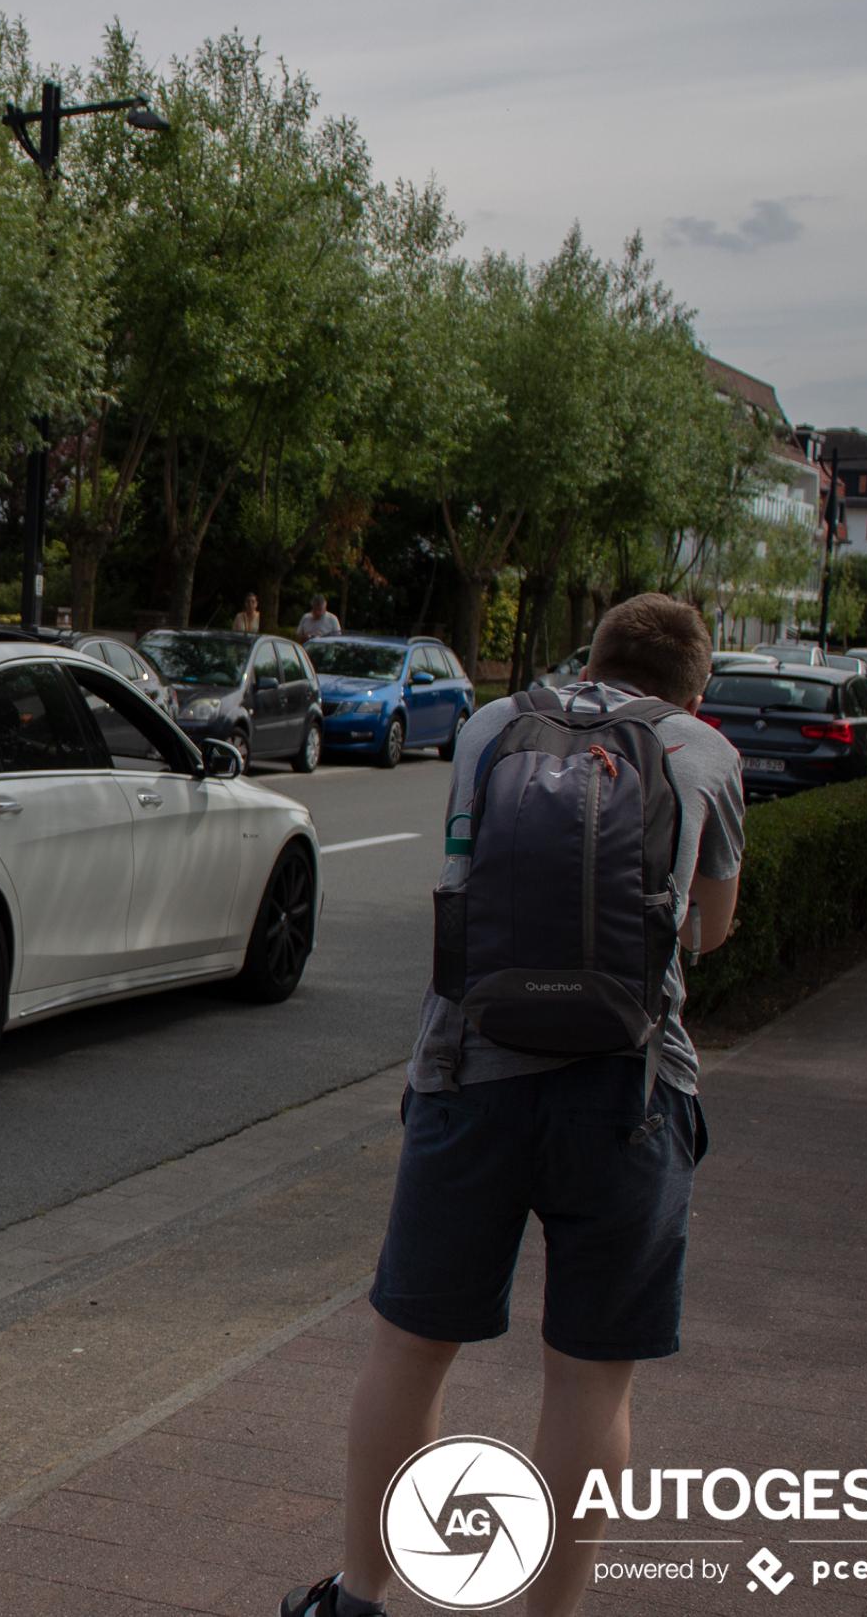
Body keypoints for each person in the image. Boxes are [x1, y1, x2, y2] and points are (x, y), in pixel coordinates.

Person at [282, 594, 744, 1617]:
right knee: (587, 1379)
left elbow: (465, 872)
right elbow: (707, 934)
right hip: (629, 1093)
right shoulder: (701, 752)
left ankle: (360, 1591)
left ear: (590, 655)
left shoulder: (492, 725)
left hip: (466, 1074)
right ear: (690, 689)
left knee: (410, 1348)